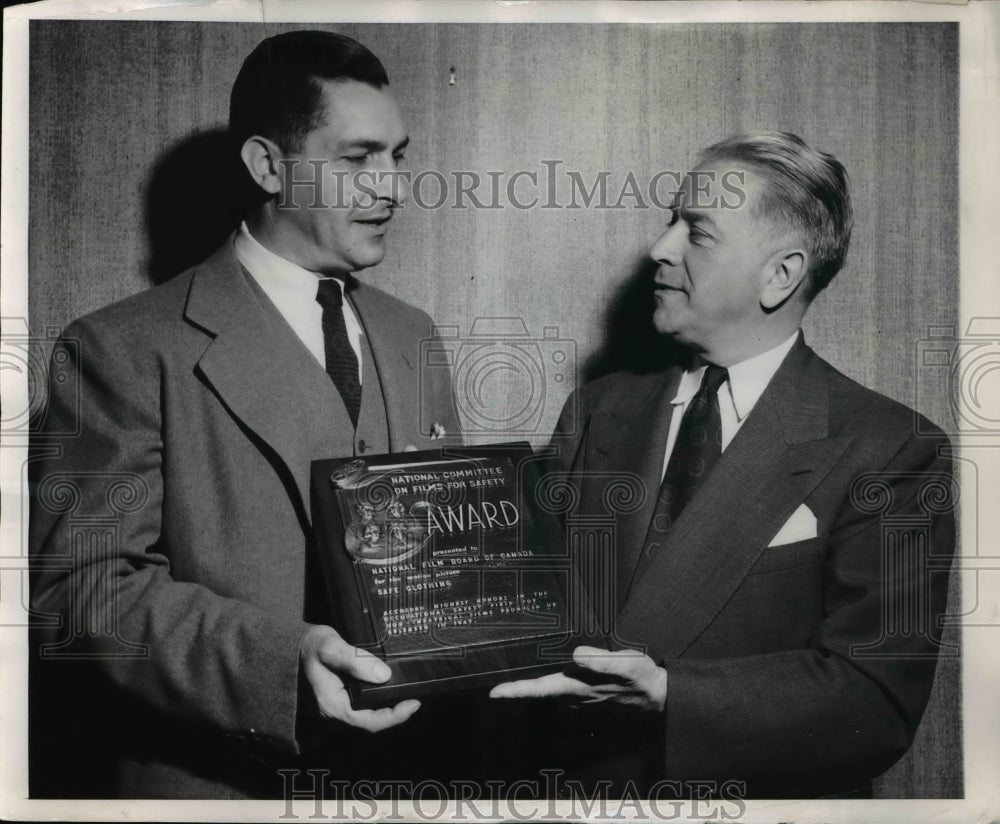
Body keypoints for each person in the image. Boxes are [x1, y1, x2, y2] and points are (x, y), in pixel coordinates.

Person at [30, 31, 461, 799]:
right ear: (268, 166)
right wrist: (281, 663)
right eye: (358, 160)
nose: (393, 187)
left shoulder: (412, 334)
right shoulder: (121, 347)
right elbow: (83, 593)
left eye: (399, 156)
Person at [490, 132, 956, 798]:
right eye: (670, 221)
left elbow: (876, 699)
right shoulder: (598, 407)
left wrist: (675, 698)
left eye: (697, 234)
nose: (658, 249)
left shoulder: (892, 448)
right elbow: (525, 596)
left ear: (781, 275)